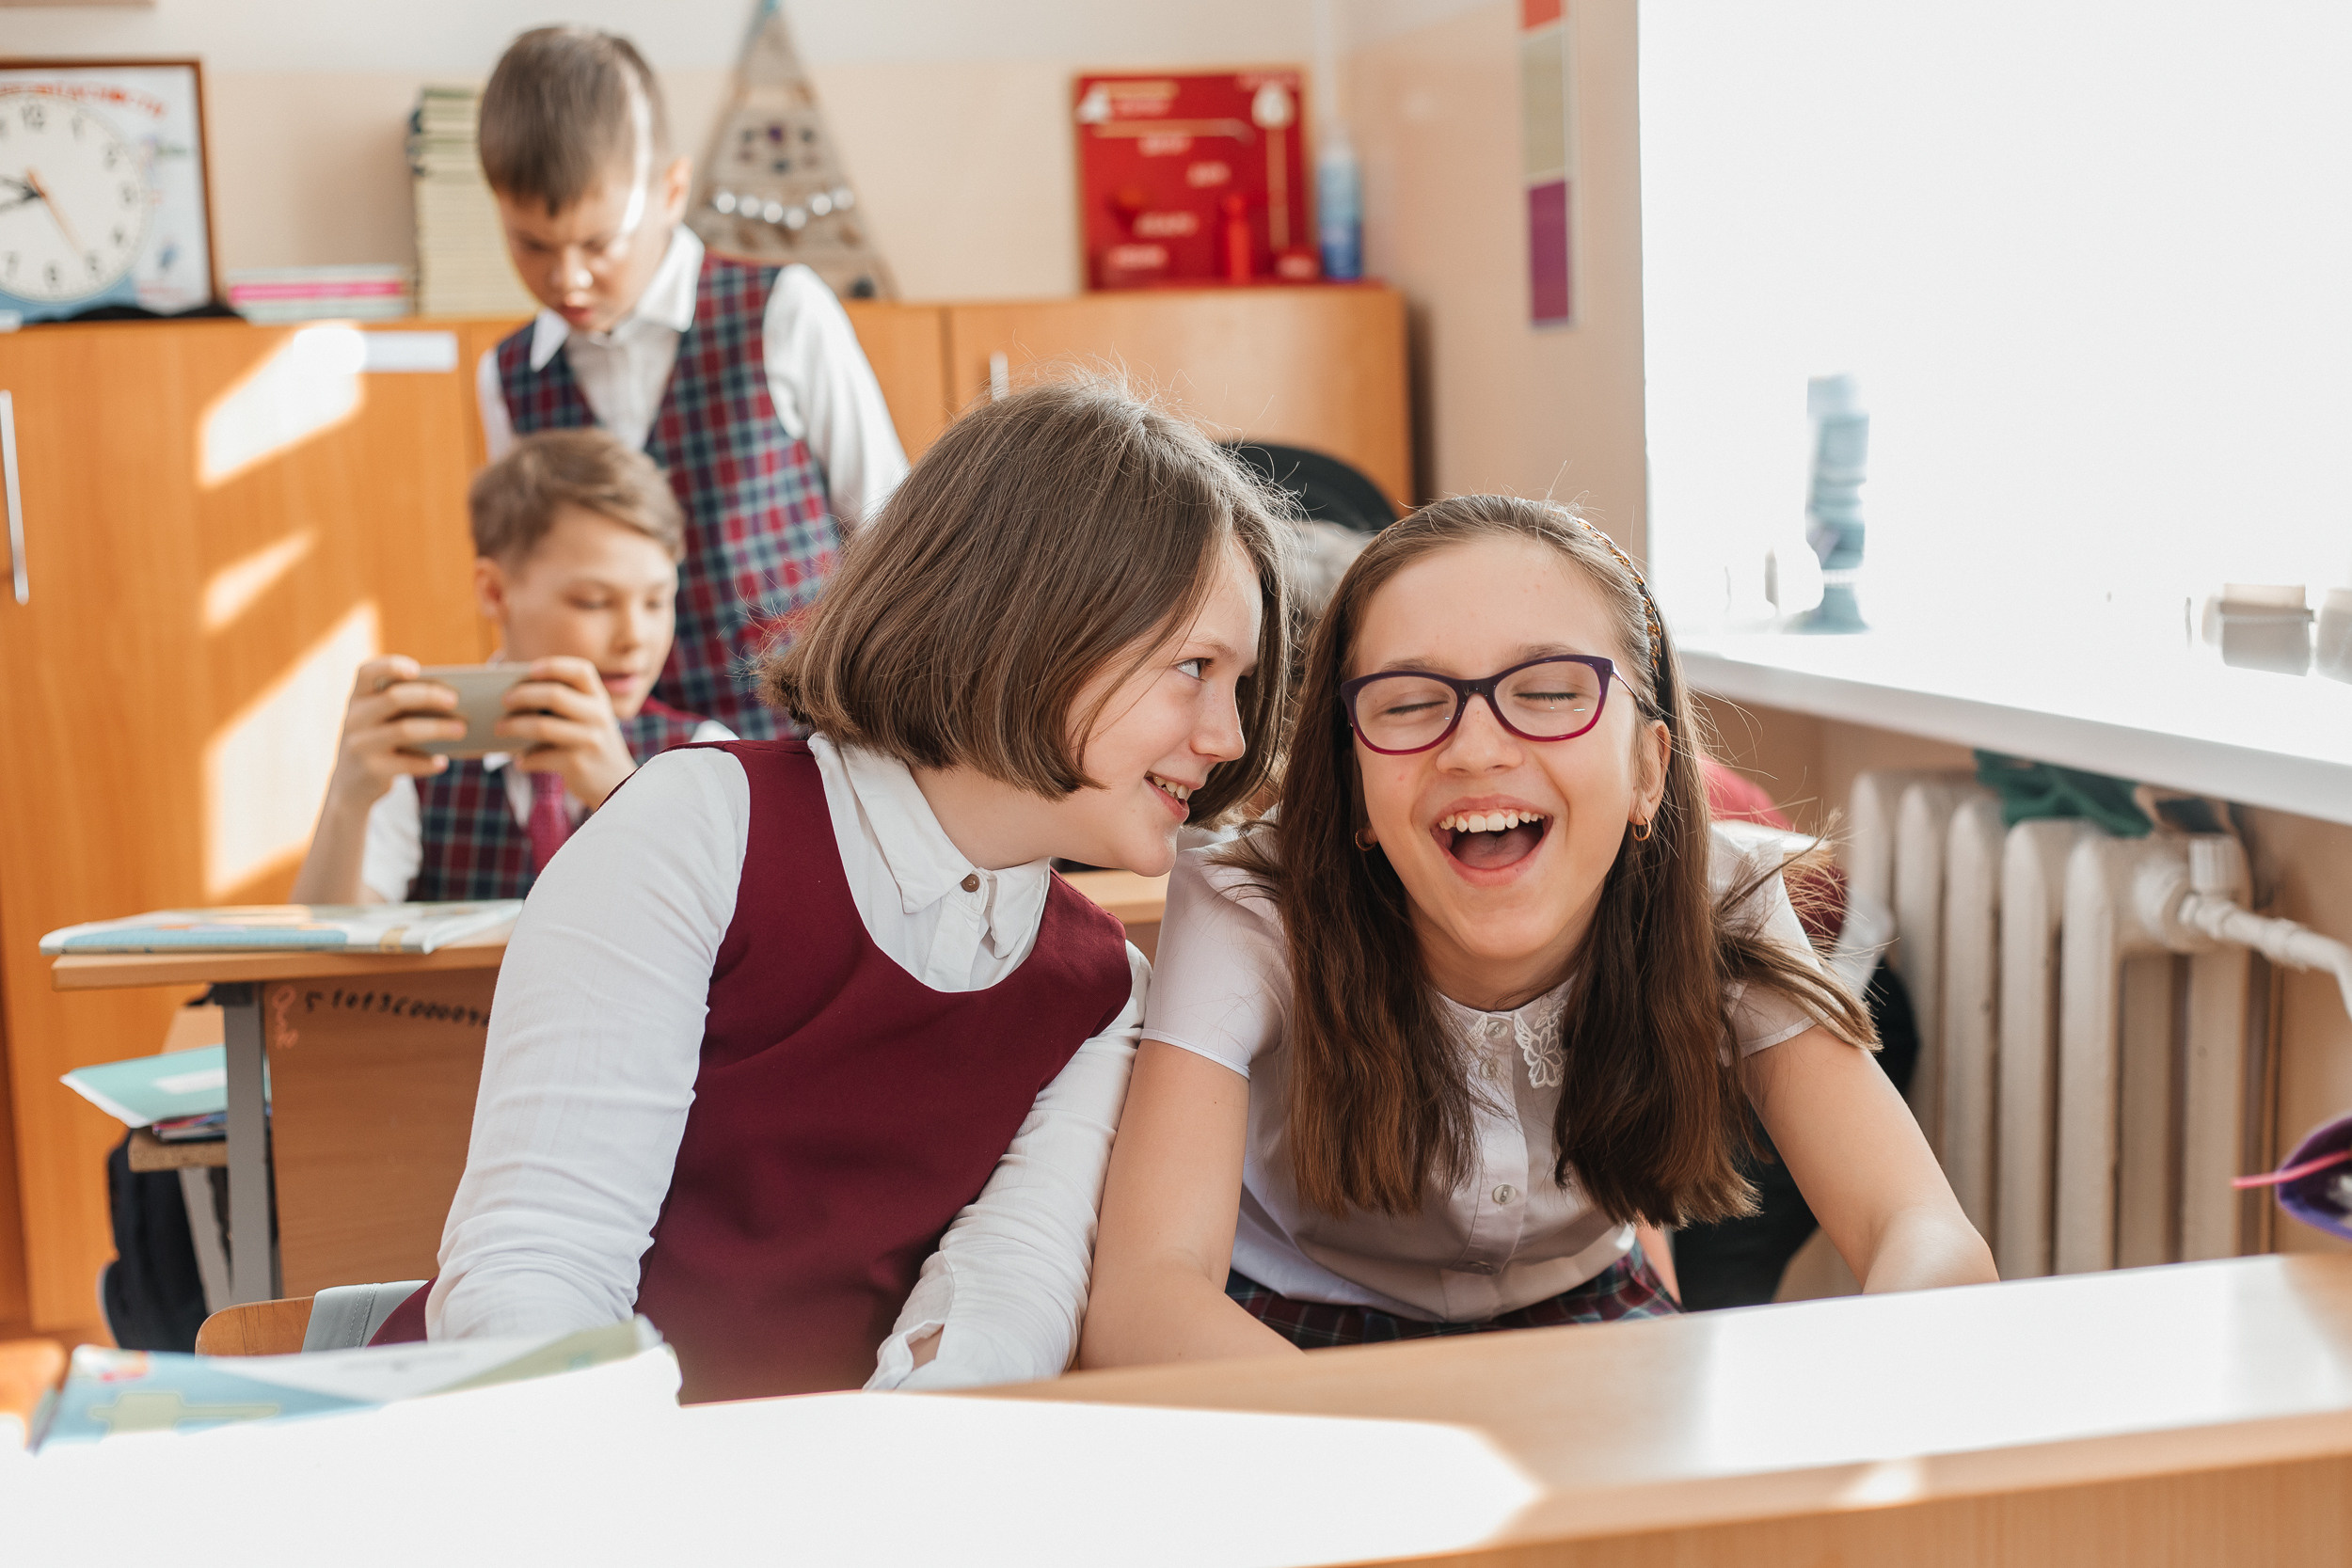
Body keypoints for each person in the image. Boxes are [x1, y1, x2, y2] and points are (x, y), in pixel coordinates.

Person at [372, 382, 1291, 1402]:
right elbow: (539, 1261)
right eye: (1195, 666)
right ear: (1034, 620)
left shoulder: (1103, 987)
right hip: (547, 1449)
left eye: (1242, 685)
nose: (1229, 736)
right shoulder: (700, 826)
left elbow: (1000, 1307)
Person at [1080, 495, 1994, 1366]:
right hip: (1282, 1322)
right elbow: (1143, 1298)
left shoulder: (1724, 896)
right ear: (1353, 782)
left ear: (1647, 770)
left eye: (1551, 691)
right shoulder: (1247, 905)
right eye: (1408, 702)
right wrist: (1388, 1450)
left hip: (1582, 1299)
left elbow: (1917, 1225)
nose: (1477, 748)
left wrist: (1878, 1371)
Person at [473, 26, 909, 738]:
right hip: (626, 762)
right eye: (532, 245)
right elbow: (529, 588)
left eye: (599, 243)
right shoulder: (510, 376)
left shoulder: (783, 312)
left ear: (672, 191)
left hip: (805, 747)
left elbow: (892, 534)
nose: (567, 278)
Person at [294, 429, 725, 906]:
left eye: (657, 601)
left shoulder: (707, 755)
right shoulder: (413, 759)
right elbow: (330, 946)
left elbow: (734, 930)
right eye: (593, 601)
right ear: (494, 592)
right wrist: (347, 801)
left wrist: (619, 790)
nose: (635, 637)